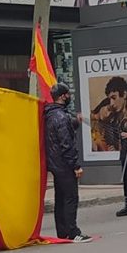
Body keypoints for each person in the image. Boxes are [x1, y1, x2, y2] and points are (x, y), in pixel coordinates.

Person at [44, 84, 92, 243]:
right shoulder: (62, 117)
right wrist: (75, 165)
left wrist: (75, 123)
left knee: (61, 198)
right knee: (71, 197)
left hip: (55, 164)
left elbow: (58, 134)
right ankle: (73, 231)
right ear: (63, 96)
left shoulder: (50, 115)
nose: (69, 97)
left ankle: (62, 231)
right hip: (65, 164)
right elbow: (66, 144)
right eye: (67, 95)